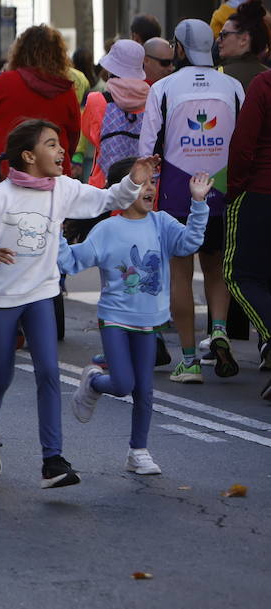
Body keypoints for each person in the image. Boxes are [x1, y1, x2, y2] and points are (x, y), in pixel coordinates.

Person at [0, 119, 156, 489]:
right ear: (29, 156)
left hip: (42, 293)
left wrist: (133, 180)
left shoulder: (62, 189)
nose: (62, 151)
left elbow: (108, 199)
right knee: (1, 375)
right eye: (52, 144)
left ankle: (53, 460)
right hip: (1, 298)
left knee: (48, 372)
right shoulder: (0, 197)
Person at [64, 161, 211, 476]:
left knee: (144, 388)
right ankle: (94, 381)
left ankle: (138, 451)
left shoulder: (161, 223)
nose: (150, 188)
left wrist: (198, 203)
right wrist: (53, 237)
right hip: (115, 318)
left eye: (152, 182)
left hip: (148, 320)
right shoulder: (107, 230)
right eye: (143, 182)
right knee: (122, 384)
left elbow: (189, 243)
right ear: (122, 189)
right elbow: (75, 261)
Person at [139, 18, 245, 383]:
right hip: (221, 188)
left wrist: (145, 188)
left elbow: (146, 149)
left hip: (177, 192)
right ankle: (218, 330)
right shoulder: (232, 87)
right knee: (216, 268)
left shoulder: (163, 88)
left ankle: (188, 360)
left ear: (179, 49)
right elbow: (244, 142)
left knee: (180, 273)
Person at [0, 25, 82, 162]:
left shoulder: (5, 82)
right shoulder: (66, 91)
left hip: (9, 168)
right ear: (59, 55)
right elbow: (74, 134)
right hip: (54, 171)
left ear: (20, 52)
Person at [226, 65, 271, 400]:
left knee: (238, 274)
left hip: (261, 192)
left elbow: (243, 142)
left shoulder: (264, 83)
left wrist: (236, 188)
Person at [82, 40, 149, 188]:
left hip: (104, 187)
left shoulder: (96, 101)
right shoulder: (152, 101)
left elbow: (90, 135)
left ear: (111, 69)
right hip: (142, 187)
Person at [215, 0, 269, 89]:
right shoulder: (267, 76)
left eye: (224, 34)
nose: (218, 40)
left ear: (244, 39)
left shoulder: (218, 76)